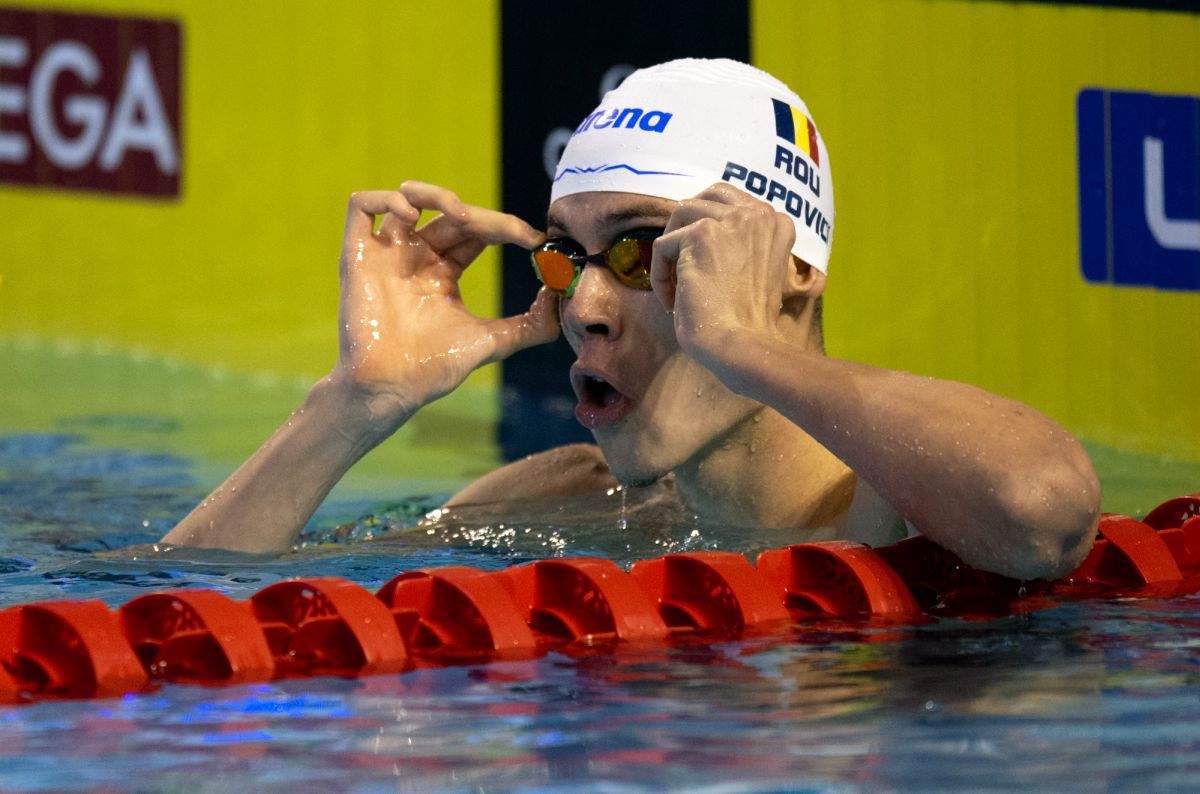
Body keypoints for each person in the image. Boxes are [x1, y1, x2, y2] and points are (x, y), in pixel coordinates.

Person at [161, 59, 1100, 580]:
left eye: (640, 250)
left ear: (794, 269)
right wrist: (354, 404)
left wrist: (740, 348)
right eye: (567, 254)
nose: (588, 308)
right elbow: (182, 606)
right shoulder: (563, 505)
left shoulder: (892, 511)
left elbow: (1045, 518)